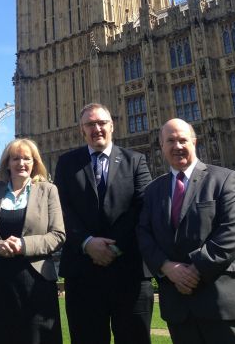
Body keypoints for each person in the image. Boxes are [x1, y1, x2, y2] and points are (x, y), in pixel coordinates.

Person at [137, 118, 235, 343]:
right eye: (170, 141)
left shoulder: (224, 179)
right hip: (179, 310)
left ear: (194, 142)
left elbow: (233, 233)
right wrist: (167, 267)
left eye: (182, 140)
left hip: (222, 302)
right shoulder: (153, 191)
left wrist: (195, 269)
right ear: (161, 147)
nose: (177, 146)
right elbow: (144, 234)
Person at [54, 102, 153, 344]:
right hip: (82, 272)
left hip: (129, 270)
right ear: (82, 130)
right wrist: (87, 242)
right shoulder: (67, 163)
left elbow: (143, 208)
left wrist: (114, 247)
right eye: (90, 124)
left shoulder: (136, 160)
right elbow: (60, 209)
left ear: (112, 126)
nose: (96, 128)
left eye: (101, 123)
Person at [0, 138, 65, 344]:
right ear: (7, 163)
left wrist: (23, 245)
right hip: (1, 279)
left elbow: (58, 235)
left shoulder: (47, 190)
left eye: (27, 158)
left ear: (35, 162)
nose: (21, 163)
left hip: (37, 280)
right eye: (15, 158)